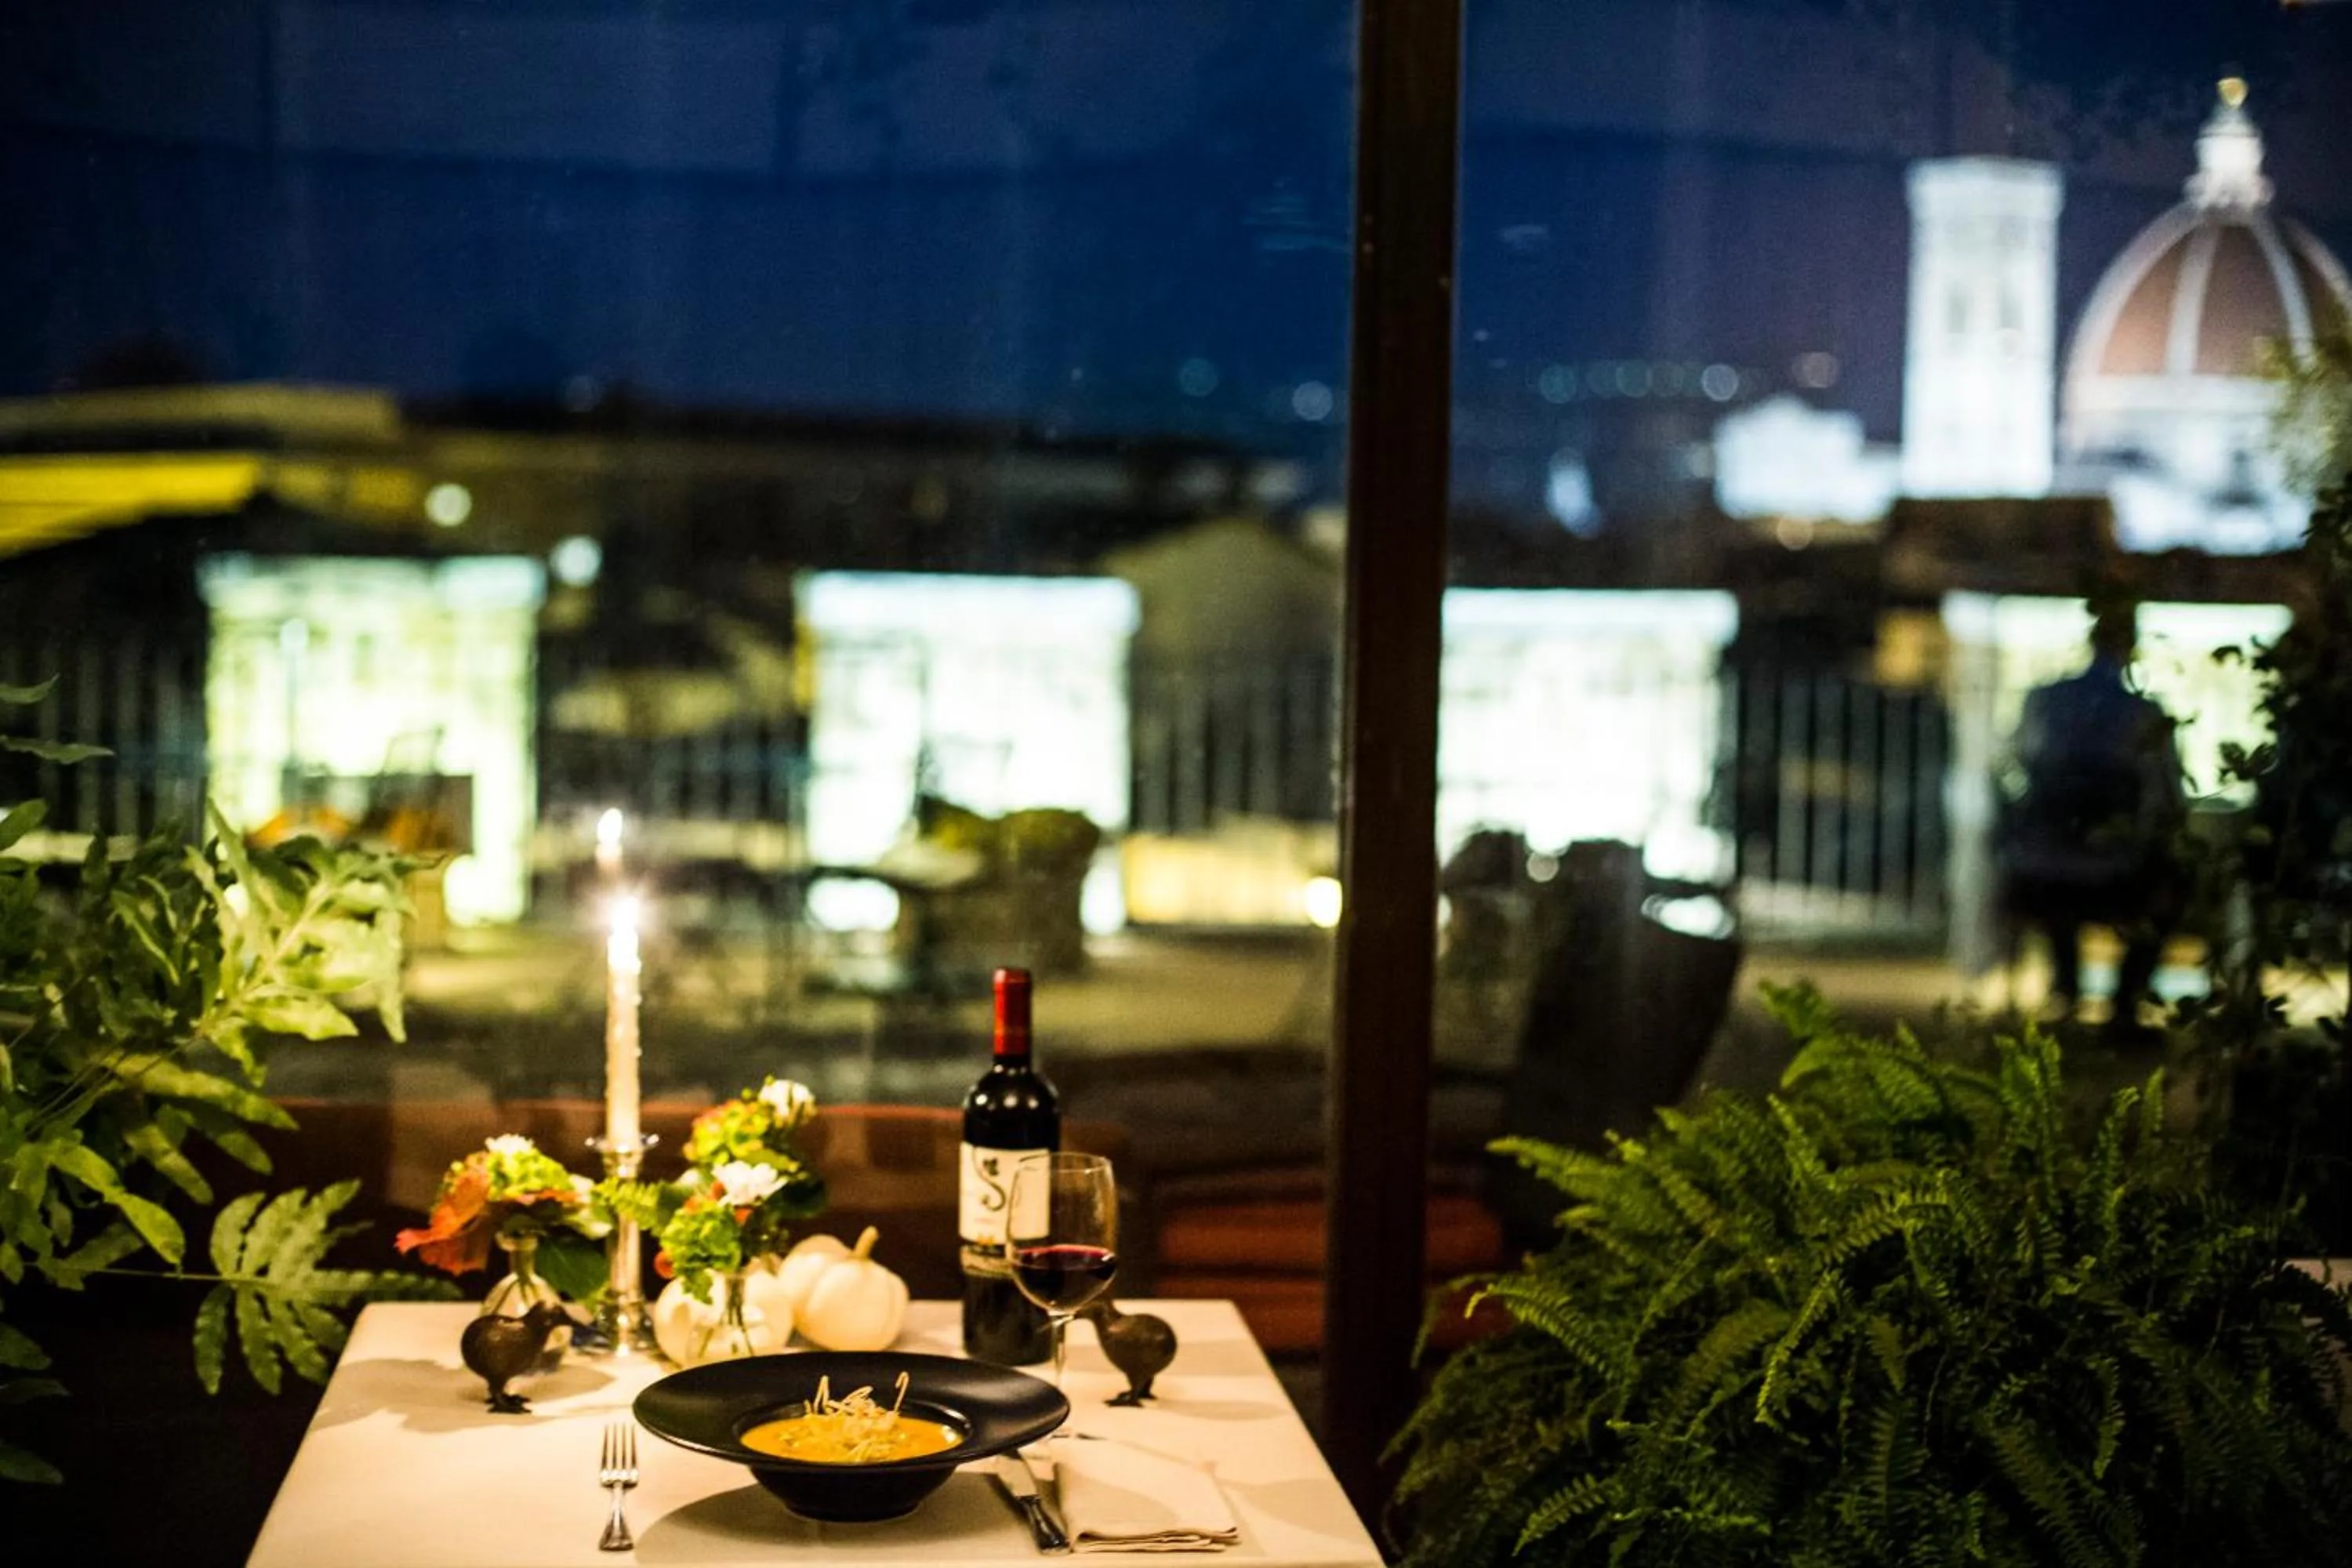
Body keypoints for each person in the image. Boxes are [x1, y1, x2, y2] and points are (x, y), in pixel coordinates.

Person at [1997, 604, 2185, 1033]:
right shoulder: (2143, 711)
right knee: (2168, 892)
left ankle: (2067, 985)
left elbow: (2015, 761)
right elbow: (2169, 789)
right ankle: (2125, 1001)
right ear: (2131, 647)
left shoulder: (2046, 698)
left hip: (2041, 865)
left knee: (2058, 896)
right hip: (2118, 869)